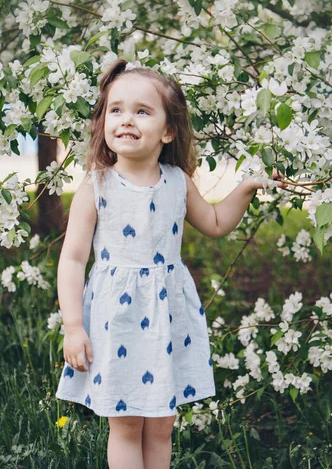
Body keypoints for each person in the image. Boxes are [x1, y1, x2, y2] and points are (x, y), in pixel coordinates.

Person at [55, 58, 286, 469]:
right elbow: (73, 259)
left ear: (167, 131)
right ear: (104, 122)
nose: (127, 120)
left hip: (166, 317)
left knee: (162, 422)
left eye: (142, 111)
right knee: (125, 424)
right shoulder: (97, 185)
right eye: (116, 110)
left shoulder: (178, 181)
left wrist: (246, 188)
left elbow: (215, 223)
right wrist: (74, 327)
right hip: (118, 320)